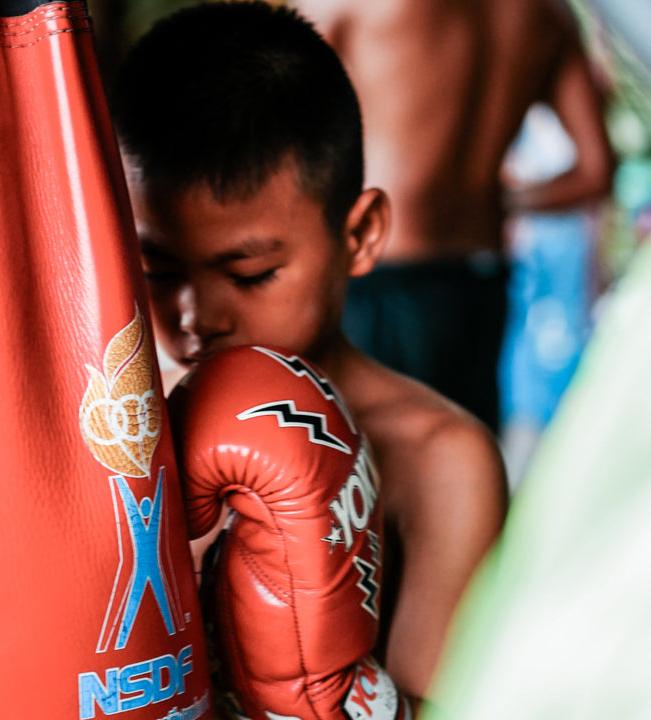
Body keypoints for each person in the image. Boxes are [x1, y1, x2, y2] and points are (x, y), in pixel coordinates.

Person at [110, 1, 508, 711]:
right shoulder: (100, 431)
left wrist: (314, 690)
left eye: (252, 273)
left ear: (360, 236)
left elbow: (444, 704)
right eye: (159, 270)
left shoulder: (443, 460)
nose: (198, 314)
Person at [293, 0, 616, 433]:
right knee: (464, 472)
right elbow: (595, 172)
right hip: (482, 281)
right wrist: (500, 200)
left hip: (379, 278)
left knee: (358, 479)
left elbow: (269, 132)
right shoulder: (546, 13)